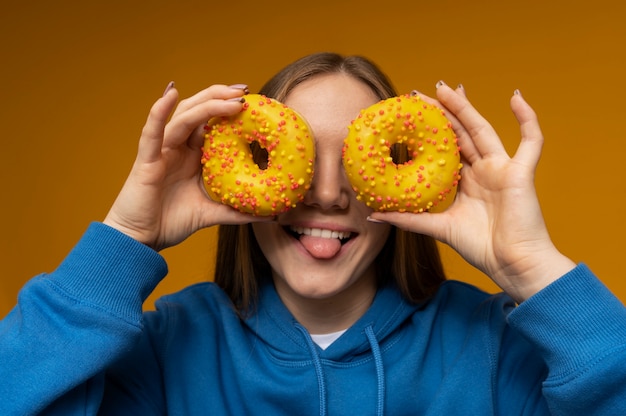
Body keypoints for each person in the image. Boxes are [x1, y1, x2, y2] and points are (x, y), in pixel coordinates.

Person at [1, 52, 625, 415]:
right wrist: (124, 237)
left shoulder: (495, 353)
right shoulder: (165, 353)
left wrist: (533, 266)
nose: (326, 193)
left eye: (354, 160)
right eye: (299, 159)